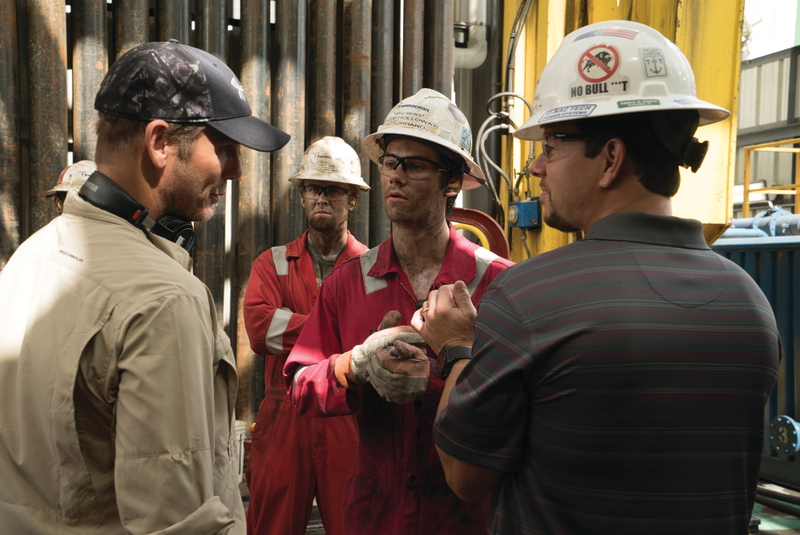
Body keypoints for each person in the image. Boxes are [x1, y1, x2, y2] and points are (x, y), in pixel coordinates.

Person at [412, 20, 782, 535]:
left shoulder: (526, 298)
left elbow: (465, 474)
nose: (537, 166)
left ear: (610, 158)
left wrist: (455, 348)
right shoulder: (750, 304)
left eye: (553, 143)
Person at [0, 40, 289, 534]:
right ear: (159, 142)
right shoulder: (164, 300)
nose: (237, 172)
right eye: (223, 149)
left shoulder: (30, 257)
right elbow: (174, 521)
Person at [283, 88, 515, 534]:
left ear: (452, 182)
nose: (396, 176)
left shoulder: (498, 284)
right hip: (376, 512)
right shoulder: (347, 284)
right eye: (391, 161)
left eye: (415, 165)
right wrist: (358, 365)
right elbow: (299, 386)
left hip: (466, 512)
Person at [243, 136, 369, 535]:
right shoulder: (272, 262)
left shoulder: (372, 268)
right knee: (272, 526)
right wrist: (336, 328)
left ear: (352, 199)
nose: (321, 198)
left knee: (356, 524)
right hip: (285, 412)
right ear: (301, 196)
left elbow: (374, 338)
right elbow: (260, 330)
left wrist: (295, 323)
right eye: (313, 189)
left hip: (349, 411)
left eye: (333, 190)